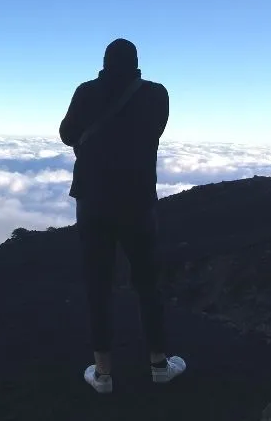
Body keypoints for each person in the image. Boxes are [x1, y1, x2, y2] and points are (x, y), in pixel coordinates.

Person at [59, 38, 185, 394]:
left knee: (98, 285)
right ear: (136, 63)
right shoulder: (157, 94)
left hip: (94, 201)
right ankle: (159, 365)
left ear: (104, 61)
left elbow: (67, 134)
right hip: (138, 201)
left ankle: (103, 375)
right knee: (147, 284)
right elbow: (155, 130)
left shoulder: (86, 91)